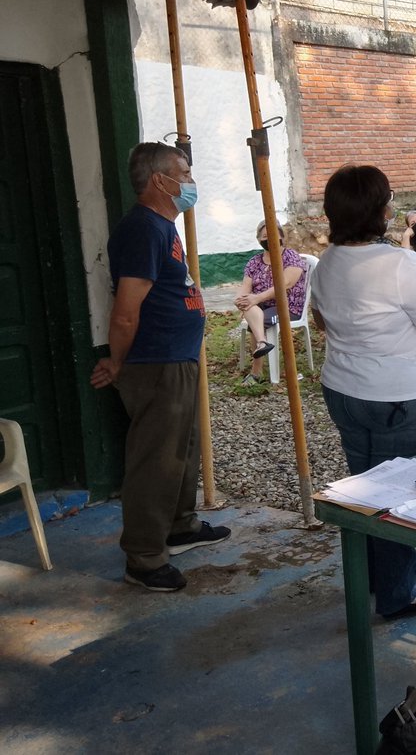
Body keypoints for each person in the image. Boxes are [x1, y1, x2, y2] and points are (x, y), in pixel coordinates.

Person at [310, 164, 416, 619]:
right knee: (403, 495)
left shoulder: (327, 261)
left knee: (368, 488)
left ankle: (378, 577)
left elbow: (320, 321)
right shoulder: (400, 263)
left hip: (346, 392)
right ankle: (397, 594)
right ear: (380, 210)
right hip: (403, 398)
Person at [89, 142, 229, 593]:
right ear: (159, 181)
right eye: (183, 174)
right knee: (156, 460)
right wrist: (117, 361)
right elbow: (126, 310)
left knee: (181, 450)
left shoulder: (163, 226)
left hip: (177, 357)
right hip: (156, 362)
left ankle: (179, 526)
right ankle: (144, 559)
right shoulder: (143, 230)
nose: (190, 183)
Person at [235, 220, 308, 385]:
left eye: (273, 235)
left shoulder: (291, 257)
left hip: (288, 307)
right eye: (265, 236)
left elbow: (285, 284)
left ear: (282, 236)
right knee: (249, 306)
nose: (269, 239)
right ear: (259, 240)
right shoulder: (254, 261)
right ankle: (262, 343)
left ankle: (256, 372)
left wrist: (257, 298)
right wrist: (240, 299)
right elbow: (245, 287)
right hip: (262, 306)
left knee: (258, 318)